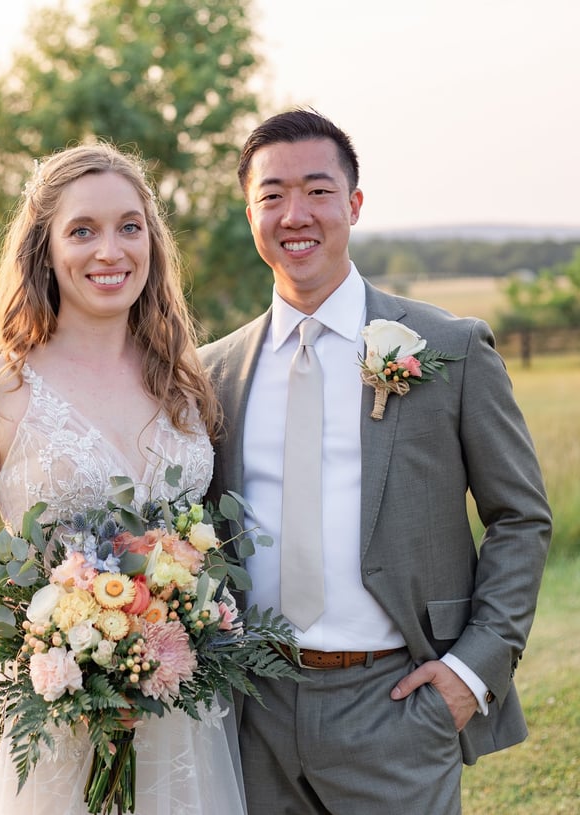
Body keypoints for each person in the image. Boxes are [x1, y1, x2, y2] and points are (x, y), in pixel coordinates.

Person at [198, 108, 552, 815]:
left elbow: (521, 517)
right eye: (272, 195)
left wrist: (468, 672)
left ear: (354, 204)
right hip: (254, 710)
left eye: (318, 190)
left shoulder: (447, 348)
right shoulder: (211, 374)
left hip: (397, 706)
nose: (295, 213)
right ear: (249, 213)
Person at [0, 142, 247, 815]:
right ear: (44, 249)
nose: (110, 251)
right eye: (82, 231)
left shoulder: (184, 384)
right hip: (52, 712)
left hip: (176, 713)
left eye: (130, 226)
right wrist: (66, 662)